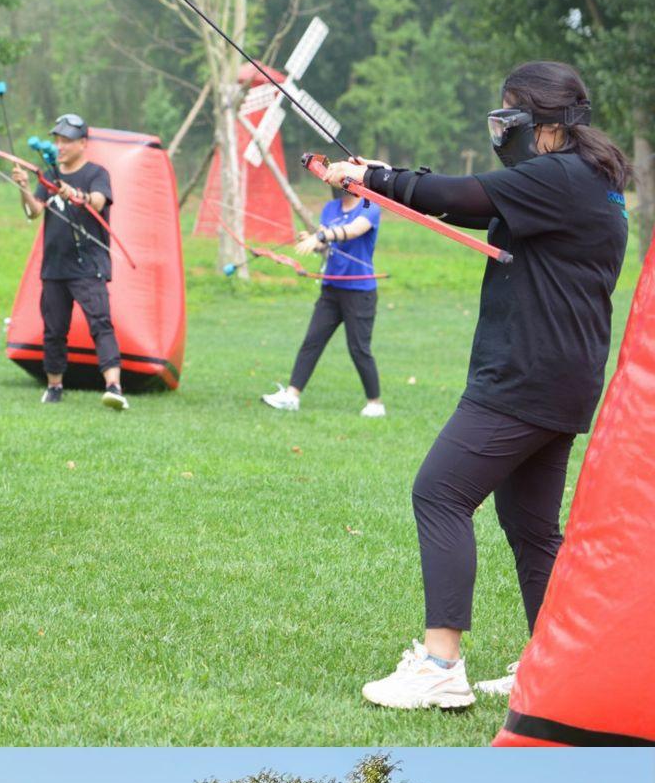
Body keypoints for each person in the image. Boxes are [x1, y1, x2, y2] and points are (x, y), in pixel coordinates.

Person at [327, 64, 631, 710]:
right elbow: (470, 205)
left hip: (525, 374)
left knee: (439, 493)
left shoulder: (561, 177)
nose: (500, 129)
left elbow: (465, 196)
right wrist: (381, 178)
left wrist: (371, 179)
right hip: (562, 380)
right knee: (528, 524)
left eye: (508, 115)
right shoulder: (589, 181)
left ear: (544, 123)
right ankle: (555, 667)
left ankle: (441, 665)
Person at [15, 113, 128, 411]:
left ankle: (114, 386)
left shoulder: (96, 173)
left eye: (66, 141)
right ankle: (54, 387)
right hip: (54, 267)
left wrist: (73, 193)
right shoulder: (50, 175)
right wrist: (25, 188)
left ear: (83, 143)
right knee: (53, 329)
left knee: (100, 323)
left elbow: (99, 201)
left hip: (89, 266)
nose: (60, 146)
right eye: (57, 140)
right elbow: (33, 212)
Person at [261, 170, 386, 419]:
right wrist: (313, 241)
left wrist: (322, 235)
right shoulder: (330, 208)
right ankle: (292, 396)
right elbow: (326, 244)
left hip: (359, 293)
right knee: (312, 341)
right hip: (331, 289)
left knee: (359, 348)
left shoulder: (369, 208)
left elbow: (352, 231)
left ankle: (375, 403)